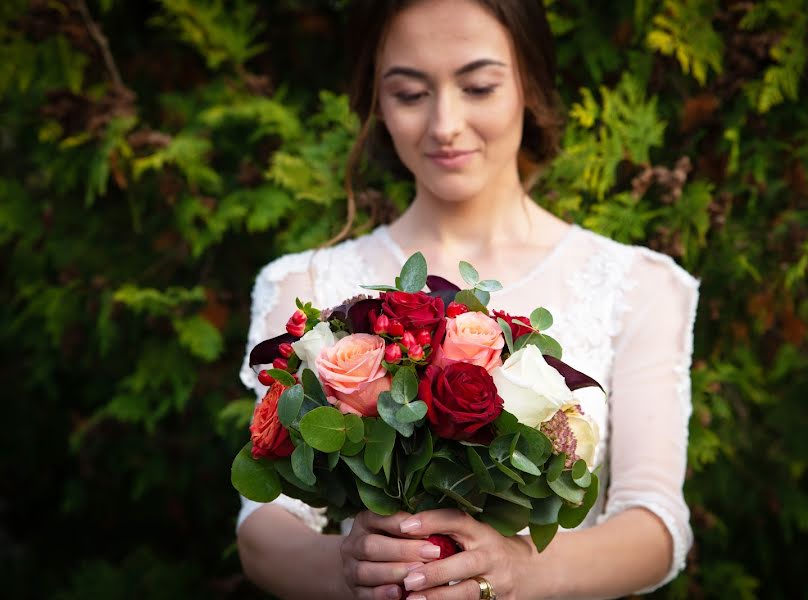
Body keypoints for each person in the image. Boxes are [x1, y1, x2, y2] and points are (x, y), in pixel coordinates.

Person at [235, 1, 698, 598]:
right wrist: (351, 570)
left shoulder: (638, 285)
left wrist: (526, 572)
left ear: (528, 84)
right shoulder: (304, 286)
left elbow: (656, 522)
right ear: (376, 101)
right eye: (409, 94)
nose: (445, 124)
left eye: (478, 86)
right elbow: (263, 525)